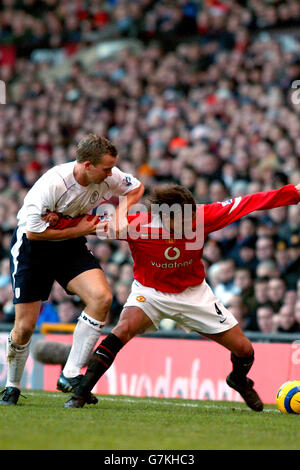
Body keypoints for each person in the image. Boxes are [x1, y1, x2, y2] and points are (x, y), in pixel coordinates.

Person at [47, 182, 300, 410]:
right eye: (181, 218)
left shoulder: (201, 216)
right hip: (150, 293)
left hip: (194, 295)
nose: (188, 221)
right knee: (122, 330)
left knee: (245, 350)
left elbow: (249, 202)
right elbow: (90, 223)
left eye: (189, 215)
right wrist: (55, 220)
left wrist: (294, 193)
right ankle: (80, 394)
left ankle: (238, 379)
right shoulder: (136, 224)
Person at [0, 134, 144, 406]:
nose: (112, 174)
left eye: (113, 168)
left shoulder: (108, 177)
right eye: (106, 168)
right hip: (33, 249)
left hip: (69, 245)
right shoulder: (53, 184)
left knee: (102, 298)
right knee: (25, 327)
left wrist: (120, 214)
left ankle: (69, 374)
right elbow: (33, 233)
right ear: (87, 165)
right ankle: (12, 386)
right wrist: (85, 228)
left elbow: (135, 188)